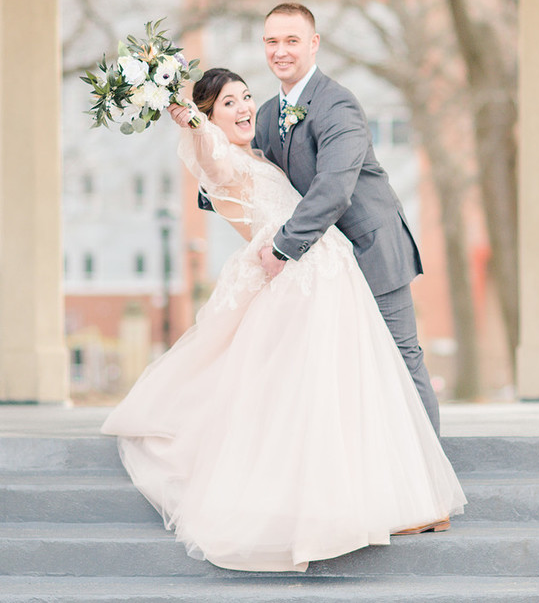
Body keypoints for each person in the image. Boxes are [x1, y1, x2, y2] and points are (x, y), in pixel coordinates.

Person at [102, 67, 466, 573]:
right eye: (228, 103)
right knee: (310, 392)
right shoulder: (220, 157)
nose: (243, 108)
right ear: (209, 116)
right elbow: (209, 157)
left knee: (350, 385)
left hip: (324, 270)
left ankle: (392, 493)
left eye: (245, 96)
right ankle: (332, 505)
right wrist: (191, 122)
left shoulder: (254, 153)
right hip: (300, 276)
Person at [255, 3, 441, 435]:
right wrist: (211, 174)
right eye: (272, 41)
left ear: (314, 44)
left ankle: (431, 469)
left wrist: (282, 247)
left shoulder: (337, 104)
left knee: (400, 358)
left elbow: (334, 187)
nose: (280, 51)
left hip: (371, 247)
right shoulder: (266, 115)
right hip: (322, 259)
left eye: (291, 40)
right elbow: (256, 177)